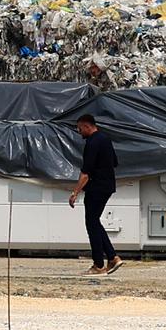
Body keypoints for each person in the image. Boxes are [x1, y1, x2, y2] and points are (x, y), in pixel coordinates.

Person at [67, 113, 123, 275]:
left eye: (79, 128)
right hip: (107, 186)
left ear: (86, 126)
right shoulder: (105, 139)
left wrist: (75, 193)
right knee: (94, 222)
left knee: (91, 224)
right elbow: (114, 162)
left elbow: (86, 173)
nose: (79, 132)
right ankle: (112, 257)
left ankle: (99, 265)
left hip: (95, 188)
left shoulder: (92, 143)